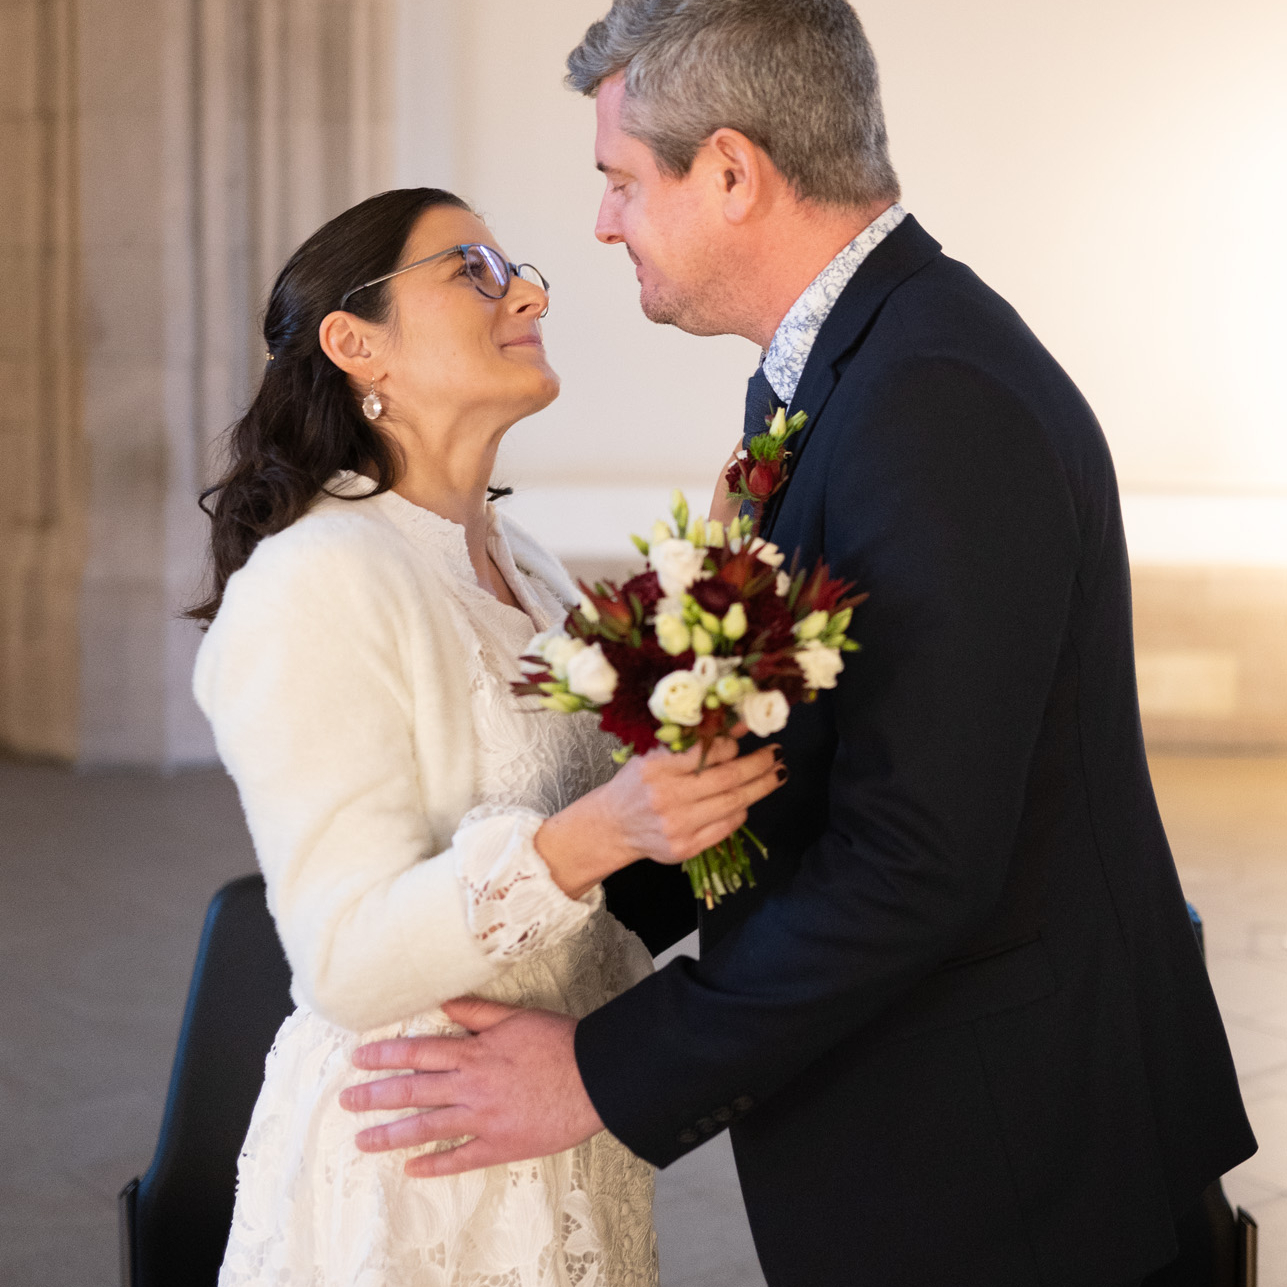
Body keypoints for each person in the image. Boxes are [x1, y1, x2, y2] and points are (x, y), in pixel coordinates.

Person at [340, 4, 1257, 1285]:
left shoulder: (933, 400)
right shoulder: (848, 367)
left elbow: (917, 858)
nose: (602, 224)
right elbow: (788, 769)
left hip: (1012, 1173)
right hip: (955, 1144)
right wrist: (526, 921)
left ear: (730, 172)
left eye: (621, 181)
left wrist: (598, 1073)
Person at [189, 185, 783, 1286]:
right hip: (413, 1165)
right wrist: (599, 834)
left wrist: (717, 608)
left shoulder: (529, 568)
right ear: (356, 343)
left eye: (518, 272)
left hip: (559, 1133)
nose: (527, 295)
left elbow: (627, 841)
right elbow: (344, 959)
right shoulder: (311, 584)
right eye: (474, 270)